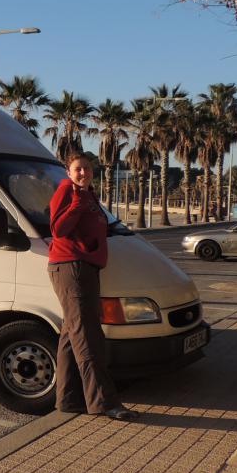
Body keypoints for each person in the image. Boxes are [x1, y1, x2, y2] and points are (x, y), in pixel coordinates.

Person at [47, 151, 138, 421]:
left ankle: (68, 399)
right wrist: (76, 202)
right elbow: (58, 229)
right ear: (69, 171)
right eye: (78, 169)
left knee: (71, 334)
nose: (84, 173)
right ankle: (105, 402)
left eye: (87, 168)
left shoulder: (90, 195)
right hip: (70, 266)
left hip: (84, 267)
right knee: (87, 335)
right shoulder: (67, 191)